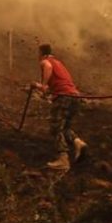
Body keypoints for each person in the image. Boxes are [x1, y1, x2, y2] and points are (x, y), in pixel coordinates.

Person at [33, 43, 87, 171]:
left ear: (41, 53)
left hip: (63, 97)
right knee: (65, 127)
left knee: (55, 127)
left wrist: (43, 85)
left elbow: (47, 66)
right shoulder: (58, 62)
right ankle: (79, 143)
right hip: (74, 96)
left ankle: (63, 160)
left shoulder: (45, 61)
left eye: (38, 53)